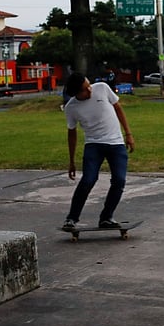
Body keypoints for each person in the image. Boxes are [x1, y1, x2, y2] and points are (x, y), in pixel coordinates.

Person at [62, 72, 135, 230]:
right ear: (76, 93)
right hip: (93, 145)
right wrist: (72, 161)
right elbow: (72, 133)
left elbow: (118, 108)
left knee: (119, 181)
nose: (90, 90)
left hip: (116, 143)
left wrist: (128, 134)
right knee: (88, 180)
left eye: (89, 85)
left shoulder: (102, 88)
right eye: (85, 89)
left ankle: (106, 217)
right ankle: (71, 218)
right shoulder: (71, 108)